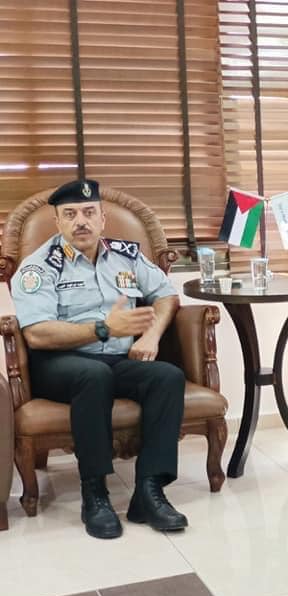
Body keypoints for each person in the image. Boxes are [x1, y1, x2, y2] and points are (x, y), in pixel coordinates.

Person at [11, 179, 188, 539]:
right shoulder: (39, 266)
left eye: (89, 212)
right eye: (70, 214)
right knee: (93, 375)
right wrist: (104, 328)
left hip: (115, 360)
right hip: (58, 364)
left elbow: (166, 295)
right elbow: (37, 334)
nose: (81, 221)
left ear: (102, 219)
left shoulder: (126, 255)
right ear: (58, 222)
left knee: (167, 377)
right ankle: (95, 494)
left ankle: (149, 491)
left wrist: (151, 335)